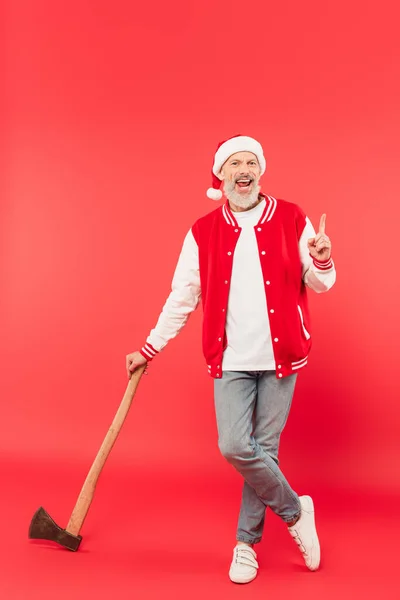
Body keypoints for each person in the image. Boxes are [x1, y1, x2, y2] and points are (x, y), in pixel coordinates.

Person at [126, 135, 336, 583]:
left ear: (260, 171)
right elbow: (182, 297)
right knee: (237, 447)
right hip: (232, 360)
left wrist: (321, 261)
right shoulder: (203, 231)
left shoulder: (292, 217)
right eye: (234, 163)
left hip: (282, 357)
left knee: (266, 449)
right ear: (220, 177)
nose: (244, 170)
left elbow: (320, 284)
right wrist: (150, 347)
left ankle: (246, 545)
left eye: (251, 162)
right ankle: (297, 511)